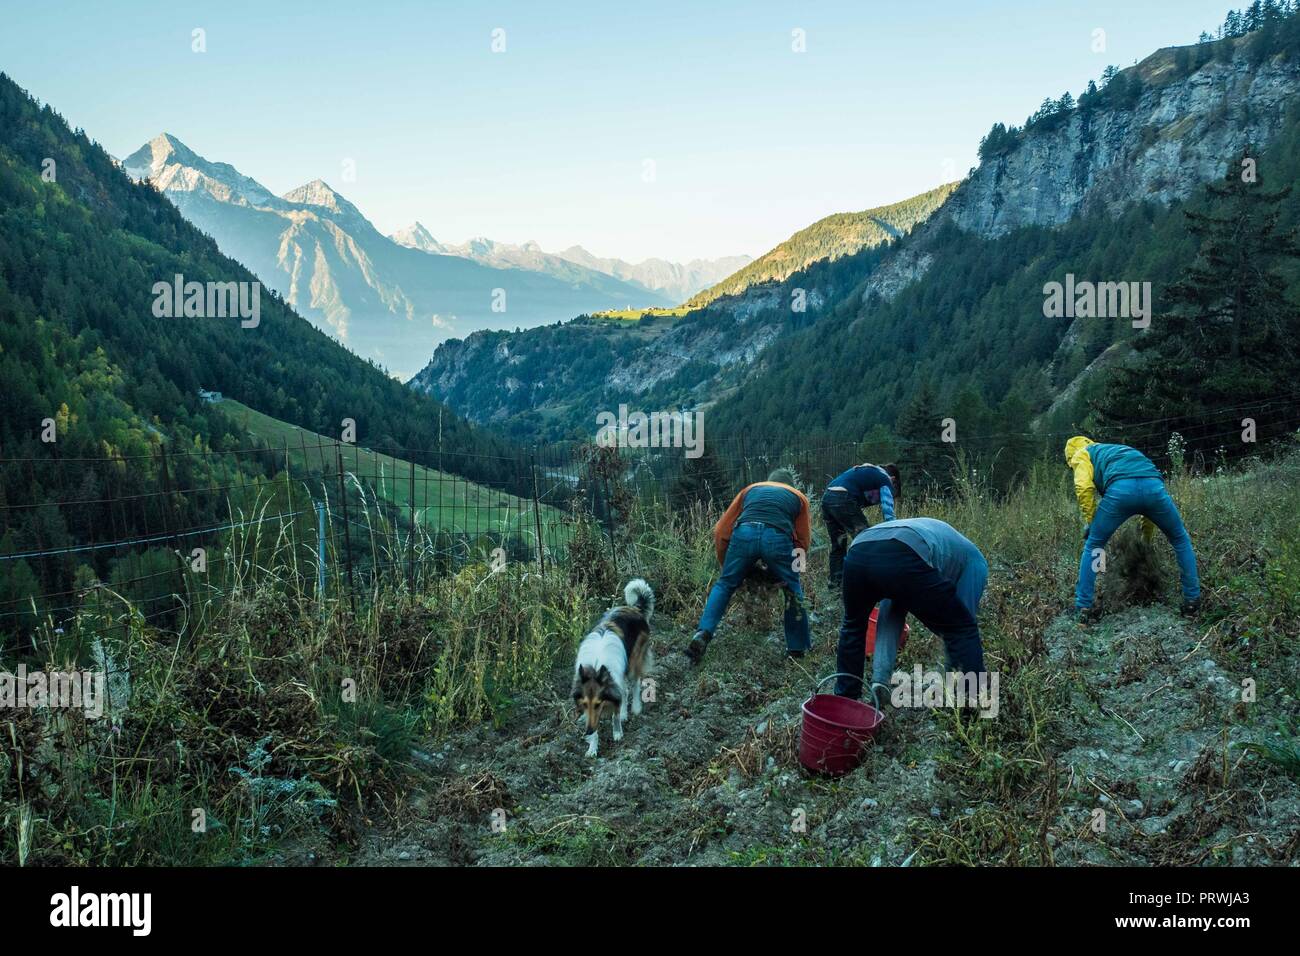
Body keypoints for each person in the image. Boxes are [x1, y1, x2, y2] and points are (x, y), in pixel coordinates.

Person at [835, 517, 987, 707]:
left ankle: (849, 699)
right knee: (962, 629)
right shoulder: (977, 563)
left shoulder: (952, 545)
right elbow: (961, 622)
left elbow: (897, 597)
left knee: (854, 626)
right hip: (905, 550)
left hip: (859, 550)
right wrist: (953, 669)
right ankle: (972, 705)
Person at [1065, 436, 1200, 623]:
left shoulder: (1081, 454)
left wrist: (1092, 521)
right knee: (1180, 539)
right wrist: (1145, 540)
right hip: (1155, 488)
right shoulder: (1117, 450)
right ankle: (1192, 601)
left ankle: (1083, 608)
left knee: (1094, 545)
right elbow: (1144, 487)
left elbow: (1084, 487)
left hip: (1120, 491)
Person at [686, 468, 812, 664]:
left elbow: (720, 530)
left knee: (725, 584)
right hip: (777, 537)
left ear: (768, 481)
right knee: (792, 590)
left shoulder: (751, 489)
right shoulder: (798, 497)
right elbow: (802, 540)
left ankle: (703, 633)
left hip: (744, 532)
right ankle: (797, 650)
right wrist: (796, 572)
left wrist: (725, 565)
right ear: (790, 485)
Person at [822, 463, 900, 587]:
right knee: (867, 543)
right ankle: (871, 586)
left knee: (838, 547)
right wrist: (894, 532)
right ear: (894, 479)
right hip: (842, 497)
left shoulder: (868, 471)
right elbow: (888, 511)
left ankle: (835, 589)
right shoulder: (885, 479)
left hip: (827, 498)